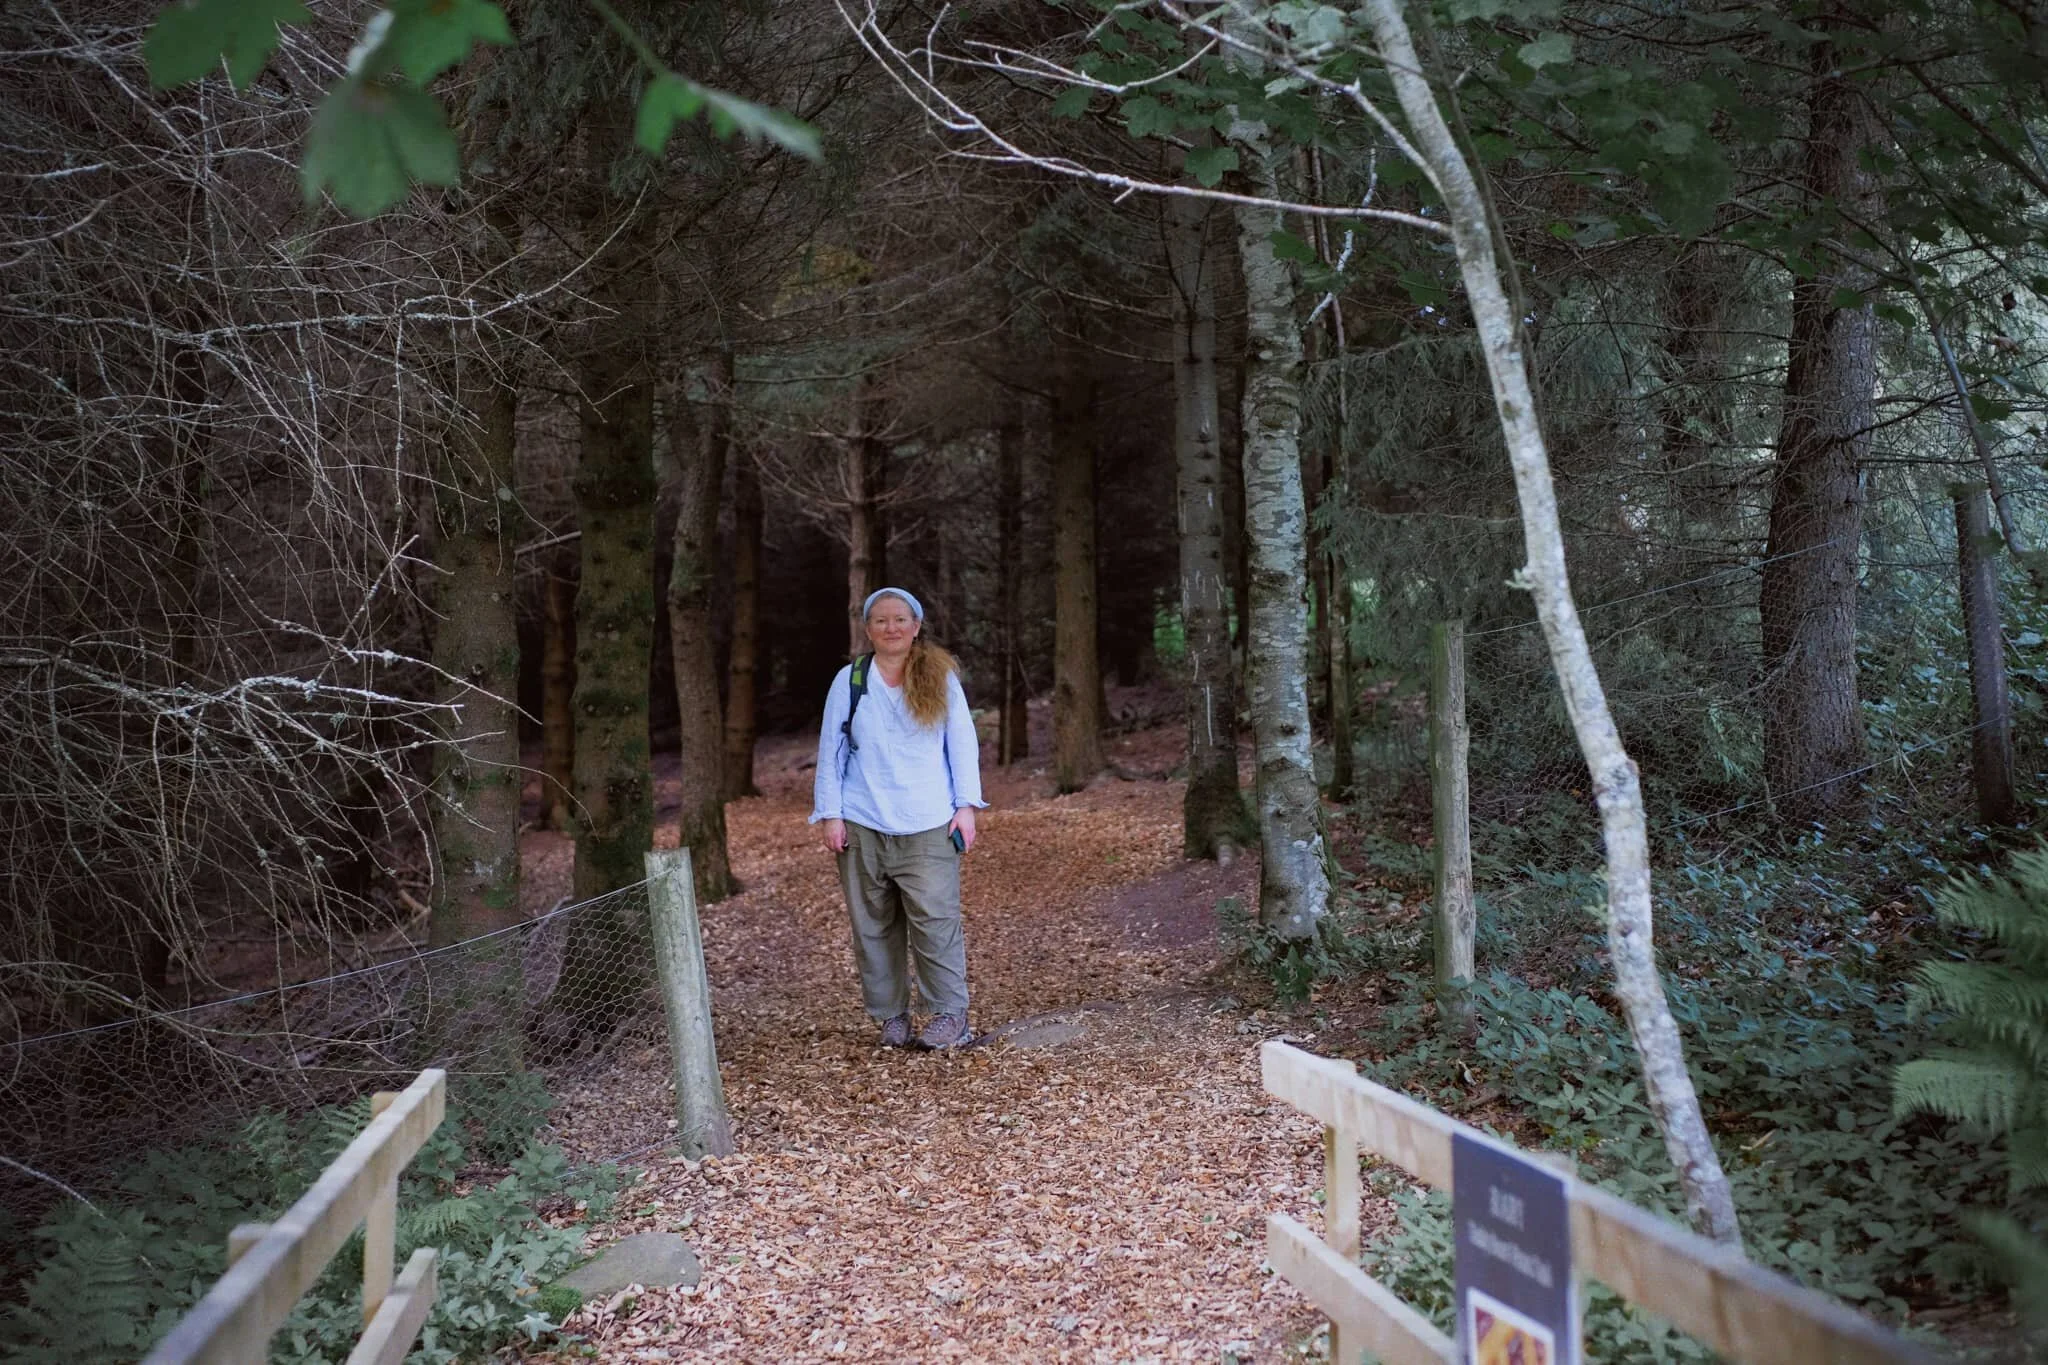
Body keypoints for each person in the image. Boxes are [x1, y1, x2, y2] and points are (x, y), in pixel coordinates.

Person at [811, 587, 986, 1050]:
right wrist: (831, 815)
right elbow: (831, 752)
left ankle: (950, 1015)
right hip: (863, 822)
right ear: (868, 629)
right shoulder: (849, 681)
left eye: (900, 619)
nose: (892, 627)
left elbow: (962, 744)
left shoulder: (940, 678)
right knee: (873, 927)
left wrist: (965, 806)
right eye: (882, 620)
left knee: (936, 920)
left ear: (916, 626)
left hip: (929, 820)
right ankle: (891, 1017)